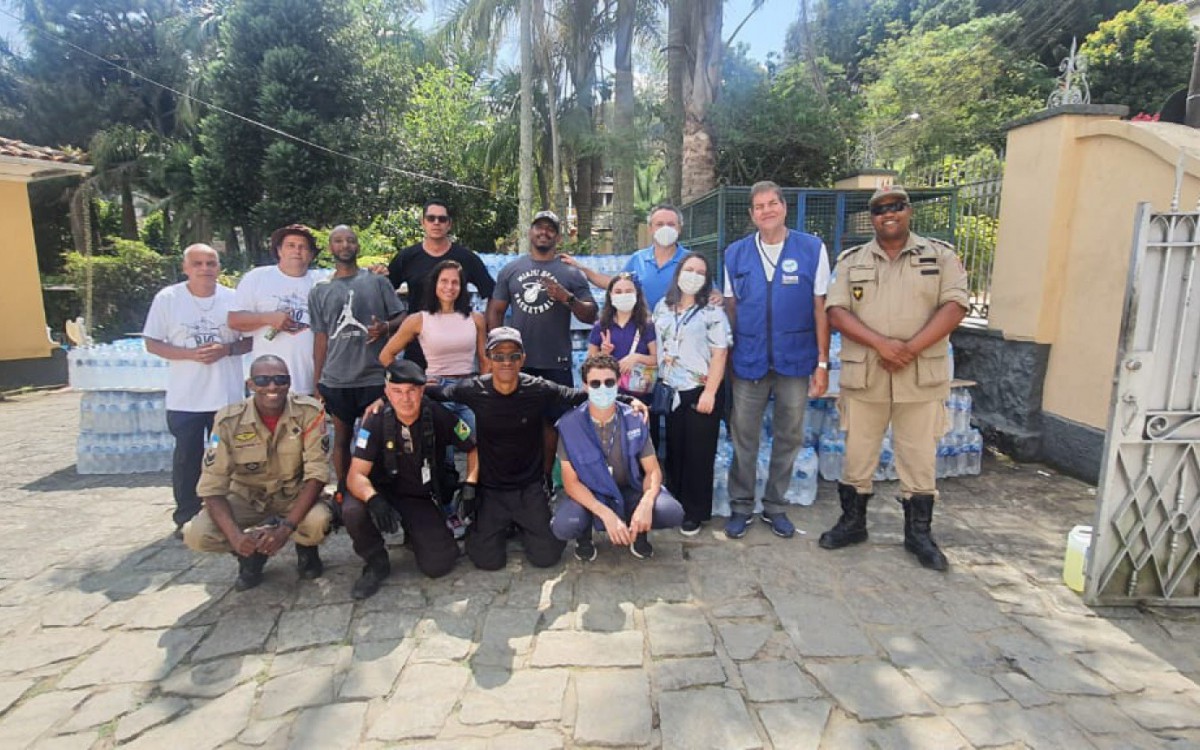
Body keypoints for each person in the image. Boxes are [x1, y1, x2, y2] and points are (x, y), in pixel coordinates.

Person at [818, 186, 968, 571]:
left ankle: (919, 534)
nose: (889, 214)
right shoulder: (852, 261)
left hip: (919, 375)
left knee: (919, 457)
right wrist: (883, 345)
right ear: (872, 218)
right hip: (867, 373)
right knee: (857, 454)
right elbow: (836, 311)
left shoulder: (941, 255)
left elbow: (954, 306)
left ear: (908, 212)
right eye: (880, 209)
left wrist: (910, 348)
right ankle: (853, 523)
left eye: (896, 207)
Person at [428, 327, 647, 571]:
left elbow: (579, 396)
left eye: (513, 355)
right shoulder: (474, 389)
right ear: (489, 358)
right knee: (486, 561)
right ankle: (499, 524)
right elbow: (436, 393)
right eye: (498, 356)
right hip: (492, 489)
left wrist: (628, 400)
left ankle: (522, 523)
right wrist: (388, 398)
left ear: (522, 358)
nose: (506, 362)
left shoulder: (537, 388)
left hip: (529, 487)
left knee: (547, 557)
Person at [722, 180, 830, 540]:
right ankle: (740, 506)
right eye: (758, 206)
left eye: (772, 203)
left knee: (789, 435)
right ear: (752, 214)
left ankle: (775, 506)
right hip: (749, 360)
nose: (766, 210)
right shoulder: (735, 254)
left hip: (795, 361)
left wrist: (823, 362)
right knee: (744, 437)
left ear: (784, 207)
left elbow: (820, 308)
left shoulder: (812, 248)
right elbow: (730, 306)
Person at [184, 355, 332, 591]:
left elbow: (317, 474)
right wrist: (235, 537)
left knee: (318, 521)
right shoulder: (228, 420)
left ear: (289, 382)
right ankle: (249, 556)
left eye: (280, 380)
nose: (272, 387)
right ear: (250, 384)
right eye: (262, 380)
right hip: (246, 497)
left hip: (292, 495)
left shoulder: (310, 413)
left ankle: (306, 549)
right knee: (197, 534)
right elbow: (211, 486)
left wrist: (285, 529)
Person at [342, 359, 479, 598]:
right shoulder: (374, 420)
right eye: (397, 391)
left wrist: (470, 484)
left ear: (422, 390)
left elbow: (473, 447)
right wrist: (373, 498)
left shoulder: (436, 414)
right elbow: (355, 475)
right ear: (386, 392)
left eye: (412, 391)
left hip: (416, 495)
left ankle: (414, 535)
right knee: (353, 511)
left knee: (440, 563)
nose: (405, 399)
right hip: (379, 491)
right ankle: (375, 561)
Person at [143, 244, 251, 537]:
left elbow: (251, 341)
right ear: (185, 268)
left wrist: (226, 349)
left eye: (211, 263)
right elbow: (152, 343)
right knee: (188, 458)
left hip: (226, 397)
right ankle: (187, 514)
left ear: (219, 267)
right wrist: (189, 354)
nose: (205, 269)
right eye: (198, 263)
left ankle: (235, 511)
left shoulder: (233, 299)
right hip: (186, 398)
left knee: (231, 457)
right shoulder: (168, 299)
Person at [487, 210, 597, 484]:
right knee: (513, 423)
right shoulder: (511, 270)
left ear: (558, 237)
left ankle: (545, 480)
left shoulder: (570, 273)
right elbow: (495, 310)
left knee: (551, 424)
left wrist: (566, 297)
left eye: (550, 229)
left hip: (555, 361)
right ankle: (514, 478)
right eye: (539, 227)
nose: (544, 232)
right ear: (530, 232)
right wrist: (496, 351)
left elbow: (591, 314)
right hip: (516, 363)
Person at [551, 354, 683, 561]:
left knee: (670, 511)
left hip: (629, 489)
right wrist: (604, 512)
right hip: (591, 495)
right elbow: (570, 483)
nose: (602, 388)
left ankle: (639, 532)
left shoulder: (634, 418)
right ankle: (584, 538)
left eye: (609, 382)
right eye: (595, 383)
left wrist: (646, 503)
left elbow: (653, 470)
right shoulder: (569, 425)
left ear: (618, 383)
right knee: (565, 525)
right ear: (585, 386)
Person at [309, 225, 405, 501]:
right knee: (341, 439)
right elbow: (320, 338)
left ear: (357, 246)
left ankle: (376, 492)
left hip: (374, 377)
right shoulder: (319, 290)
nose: (345, 245)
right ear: (330, 248)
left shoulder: (377, 282)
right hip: (337, 379)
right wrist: (317, 382)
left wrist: (385, 327)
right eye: (338, 240)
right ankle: (343, 492)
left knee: (375, 440)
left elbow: (402, 318)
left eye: (350, 240)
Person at [653, 253, 731, 535]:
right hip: (671, 389)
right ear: (678, 273)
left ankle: (695, 512)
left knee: (699, 454)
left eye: (700, 272)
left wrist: (710, 392)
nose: (693, 276)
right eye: (689, 269)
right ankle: (674, 502)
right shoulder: (663, 306)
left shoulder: (712, 311)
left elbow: (720, 353)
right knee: (675, 449)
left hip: (701, 390)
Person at [379, 259, 489, 434]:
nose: (449, 287)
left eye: (455, 282)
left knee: (474, 442)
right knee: (443, 453)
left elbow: (484, 360)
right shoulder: (418, 319)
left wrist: (486, 392)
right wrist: (414, 380)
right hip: (436, 389)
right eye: (444, 281)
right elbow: (386, 355)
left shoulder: (476, 319)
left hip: (469, 388)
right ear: (435, 284)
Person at [387, 200, 495, 368]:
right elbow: (385, 290)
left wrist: (485, 328)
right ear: (423, 222)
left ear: (449, 224)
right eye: (431, 218)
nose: (436, 222)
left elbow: (491, 292)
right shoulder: (406, 257)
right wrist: (390, 324)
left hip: (457, 350)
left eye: (442, 219)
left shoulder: (466, 258)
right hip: (417, 345)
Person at [228, 224, 327, 396]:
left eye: (303, 247)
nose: (297, 251)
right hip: (267, 386)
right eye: (291, 245)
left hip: (309, 386)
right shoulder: (258, 277)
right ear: (279, 251)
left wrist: (375, 270)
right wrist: (268, 318)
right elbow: (234, 320)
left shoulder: (321, 281)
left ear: (311, 255)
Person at [562, 204, 688, 311]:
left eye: (671, 224)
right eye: (659, 224)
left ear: (680, 228)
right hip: (643, 329)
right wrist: (581, 268)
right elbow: (613, 283)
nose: (665, 229)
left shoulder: (690, 261)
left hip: (677, 333)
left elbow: (706, 293)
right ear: (650, 229)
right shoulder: (638, 259)